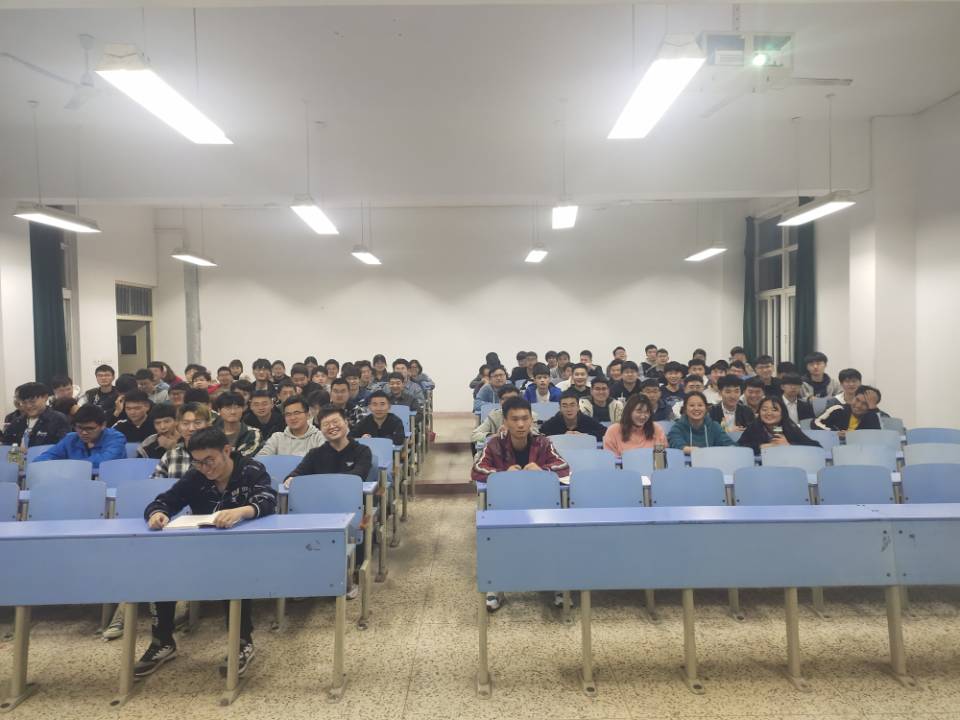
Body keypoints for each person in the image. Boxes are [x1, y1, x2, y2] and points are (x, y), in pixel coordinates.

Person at [135, 427, 276, 677]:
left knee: (233, 575)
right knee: (159, 573)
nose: (204, 468)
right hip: (203, 550)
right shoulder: (196, 476)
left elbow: (267, 500)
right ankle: (162, 642)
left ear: (226, 451)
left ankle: (242, 642)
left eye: (209, 461)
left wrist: (241, 511)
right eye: (197, 462)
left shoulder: (250, 469)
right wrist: (158, 514)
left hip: (245, 550)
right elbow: (164, 501)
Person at [471, 397, 569, 611]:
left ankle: (559, 585)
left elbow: (563, 467)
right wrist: (502, 474)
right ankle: (496, 586)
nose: (521, 424)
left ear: (531, 420)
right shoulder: (494, 444)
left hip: (540, 506)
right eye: (515, 419)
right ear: (505, 422)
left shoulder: (543, 442)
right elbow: (477, 470)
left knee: (557, 535)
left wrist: (543, 471)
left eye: (525, 418)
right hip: (505, 507)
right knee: (496, 539)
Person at [285, 406, 373, 485]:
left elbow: (358, 476)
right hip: (320, 497)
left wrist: (323, 481)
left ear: (346, 423)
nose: (331, 426)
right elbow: (296, 474)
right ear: (320, 429)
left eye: (335, 422)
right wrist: (291, 479)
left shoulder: (362, 451)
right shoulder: (314, 454)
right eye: (326, 424)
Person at [34, 404, 126, 467]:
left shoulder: (116, 438)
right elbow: (44, 458)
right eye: (79, 428)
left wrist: (68, 465)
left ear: (103, 425)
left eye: (90, 428)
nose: (84, 432)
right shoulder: (70, 438)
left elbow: (105, 461)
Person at [737, 397, 822, 455]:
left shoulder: (789, 427)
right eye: (764, 409)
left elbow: (816, 447)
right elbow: (739, 447)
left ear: (782, 413)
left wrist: (789, 445)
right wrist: (761, 446)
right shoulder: (754, 426)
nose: (769, 413)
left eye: (774, 410)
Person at [151, 403, 212, 479]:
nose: (191, 428)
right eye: (185, 423)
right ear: (178, 426)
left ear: (208, 424)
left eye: (197, 423)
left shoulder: (216, 453)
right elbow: (155, 482)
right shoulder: (171, 455)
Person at [2, 382, 70, 447]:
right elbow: (6, 445)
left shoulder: (58, 419)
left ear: (45, 397)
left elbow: (63, 446)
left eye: (32, 402)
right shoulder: (17, 422)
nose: (28, 406)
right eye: (24, 403)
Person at [667, 392, 734, 454]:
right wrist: (690, 450)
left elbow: (728, 443)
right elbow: (675, 443)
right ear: (685, 409)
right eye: (692, 405)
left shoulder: (714, 426)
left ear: (706, 408)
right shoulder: (678, 427)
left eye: (700, 405)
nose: (696, 408)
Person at [257, 396, 326, 456]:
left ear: (308, 415)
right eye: (288, 414)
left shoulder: (320, 437)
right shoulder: (277, 438)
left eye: (297, 413)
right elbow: (262, 458)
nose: (292, 418)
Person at [602, 394, 668, 457]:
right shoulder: (613, 430)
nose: (643, 416)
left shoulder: (656, 429)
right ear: (629, 412)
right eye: (639, 411)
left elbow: (661, 460)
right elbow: (610, 460)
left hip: (651, 465)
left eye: (647, 412)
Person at [471, 385, 540, 444]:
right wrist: (495, 436)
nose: (510, 402)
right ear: (500, 401)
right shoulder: (494, 416)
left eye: (513, 398)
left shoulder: (529, 415)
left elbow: (535, 435)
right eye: (506, 399)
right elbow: (474, 435)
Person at [539, 390, 607, 441]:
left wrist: (584, 435)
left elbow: (604, 432)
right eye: (564, 406)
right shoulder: (554, 421)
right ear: (560, 409)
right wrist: (561, 437)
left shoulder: (586, 420)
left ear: (578, 407)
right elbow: (540, 435)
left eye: (572, 405)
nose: (569, 409)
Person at [814, 388, 882, 438]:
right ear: (853, 397)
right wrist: (835, 433)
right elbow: (816, 423)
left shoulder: (875, 417)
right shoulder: (838, 409)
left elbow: (876, 437)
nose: (858, 405)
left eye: (865, 404)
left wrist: (852, 436)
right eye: (857, 400)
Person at [214, 392, 262, 456]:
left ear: (243, 409)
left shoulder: (252, 433)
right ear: (219, 411)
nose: (233, 412)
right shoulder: (211, 433)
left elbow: (245, 457)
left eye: (237, 407)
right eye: (228, 408)